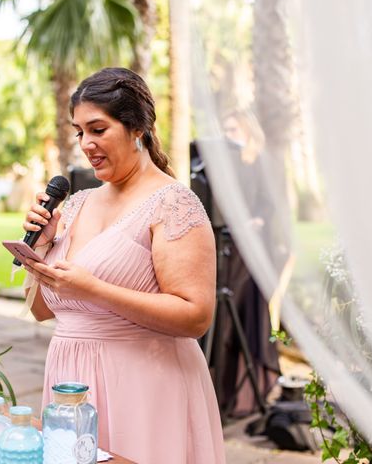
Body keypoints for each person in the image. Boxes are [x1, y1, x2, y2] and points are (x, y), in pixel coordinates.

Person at [22, 67, 226, 463]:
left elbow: (195, 316)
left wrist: (94, 290)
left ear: (138, 128)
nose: (86, 144)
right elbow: (43, 311)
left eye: (98, 129)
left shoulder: (173, 203)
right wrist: (41, 254)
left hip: (142, 387)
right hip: (70, 385)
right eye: (79, 132)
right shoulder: (78, 203)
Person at [208, 109, 281, 419]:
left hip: (251, 249)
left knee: (245, 312)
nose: (229, 134)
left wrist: (257, 220)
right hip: (227, 245)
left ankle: (249, 395)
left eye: (233, 128)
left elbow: (271, 201)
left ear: (248, 131)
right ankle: (220, 393)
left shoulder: (261, 161)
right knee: (222, 316)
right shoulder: (225, 165)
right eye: (225, 128)